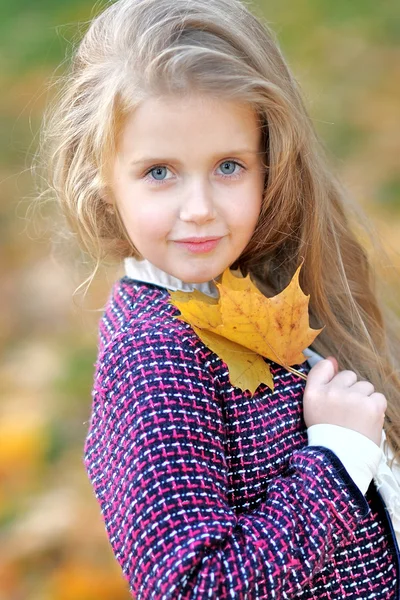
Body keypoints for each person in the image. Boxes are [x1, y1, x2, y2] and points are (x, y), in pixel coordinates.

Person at [37, 0, 400, 597]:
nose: (199, 208)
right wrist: (337, 461)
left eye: (228, 166)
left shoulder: (252, 286)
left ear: (272, 164)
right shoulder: (153, 361)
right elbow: (193, 586)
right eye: (159, 172)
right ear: (102, 175)